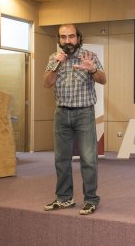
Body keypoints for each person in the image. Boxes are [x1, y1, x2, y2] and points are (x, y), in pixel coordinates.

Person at [43, 24, 106, 215]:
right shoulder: (54, 59)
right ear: (59, 40)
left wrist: (92, 70)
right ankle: (64, 198)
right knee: (61, 159)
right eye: (63, 37)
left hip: (84, 113)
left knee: (88, 159)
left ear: (78, 38)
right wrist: (57, 64)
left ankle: (91, 199)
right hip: (61, 113)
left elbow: (103, 79)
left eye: (71, 37)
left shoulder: (89, 56)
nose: (67, 41)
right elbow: (46, 83)